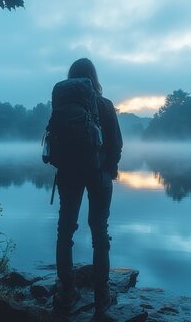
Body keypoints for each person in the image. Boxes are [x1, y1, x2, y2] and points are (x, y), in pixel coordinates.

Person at [51, 58, 123, 316]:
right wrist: (110, 168)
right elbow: (116, 143)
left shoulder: (61, 104)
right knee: (99, 232)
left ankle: (66, 293)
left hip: (68, 173)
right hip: (98, 174)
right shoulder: (104, 105)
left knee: (65, 230)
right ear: (94, 77)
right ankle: (102, 297)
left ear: (71, 78)